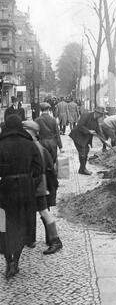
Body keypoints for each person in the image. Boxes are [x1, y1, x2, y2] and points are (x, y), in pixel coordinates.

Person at [0, 115, 42, 280]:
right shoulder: (29, 144)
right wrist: (31, 183)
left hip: (5, 190)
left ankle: (7, 260)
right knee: (22, 224)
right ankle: (15, 261)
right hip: (25, 189)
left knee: (4, 225)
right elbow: (38, 170)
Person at [23, 121, 63, 256]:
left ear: (30, 131)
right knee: (42, 212)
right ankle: (34, 239)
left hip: (39, 185)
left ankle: (55, 240)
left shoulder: (34, 146)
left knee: (44, 212)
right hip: (40, 184)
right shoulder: (36, 145)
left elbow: (41, 169)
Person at [69, 106, 107, 175]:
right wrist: (88, 131)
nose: (101, 116)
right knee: (83, 152)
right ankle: (83, 170)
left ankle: (82, 169)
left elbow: (99, 131)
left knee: (86, 151)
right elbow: (80, 125)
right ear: (96, 112)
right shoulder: (86, 116)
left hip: (85, 138)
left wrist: (105, 141)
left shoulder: (96, 120)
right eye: (101, 114)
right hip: (78, 136)